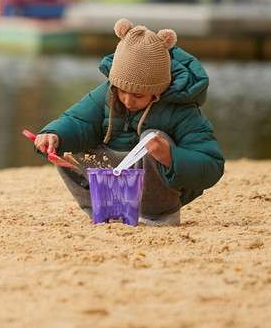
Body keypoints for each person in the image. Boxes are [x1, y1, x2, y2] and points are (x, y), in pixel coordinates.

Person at [32, 19, 224, 226]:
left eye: (138, 95)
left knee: (152, 139)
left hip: (157, 186)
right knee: (66, 145)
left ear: (157, 90)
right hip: (117, 171)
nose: (128, 100)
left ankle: (156, 215)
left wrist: (171, 157)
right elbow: (77, 120)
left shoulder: (183, 110)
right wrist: (53, 134)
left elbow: (212, 164)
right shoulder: (107, 93)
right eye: (122, 91)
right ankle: (103, 210)